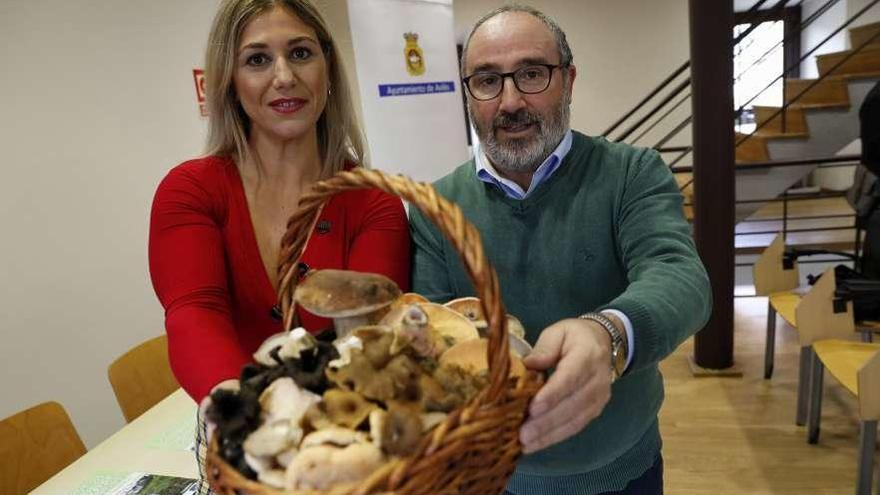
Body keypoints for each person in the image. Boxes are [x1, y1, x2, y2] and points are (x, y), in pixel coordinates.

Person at [409, 5, 711, 494]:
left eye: (531, 74)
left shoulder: (632, 174)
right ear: (468, 94)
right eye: (487, 80)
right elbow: (430, 333)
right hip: (490, 476)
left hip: (622, 472)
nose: (509, 101)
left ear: (568, 80)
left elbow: (678, 276)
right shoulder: (434, 208)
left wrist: (607, 334)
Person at [148, 0, 410, 491]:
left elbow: (368, 342)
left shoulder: (374, 201)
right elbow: (193, 312)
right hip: (238, 440)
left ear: (327, 67)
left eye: (300, 52)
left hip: (346, 444)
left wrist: (318, 442)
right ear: (229, 80)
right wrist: (247, 420)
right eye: (257, 59)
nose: (284, 76)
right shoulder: (190, 191)